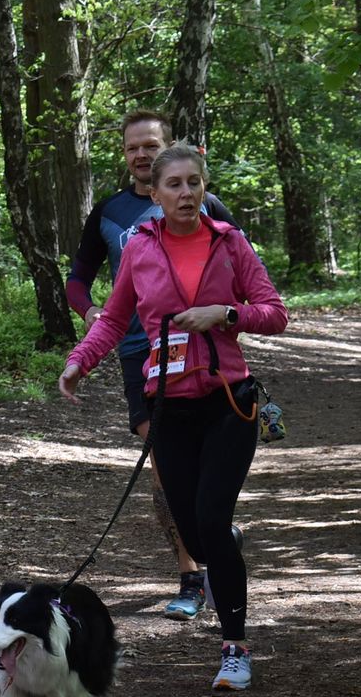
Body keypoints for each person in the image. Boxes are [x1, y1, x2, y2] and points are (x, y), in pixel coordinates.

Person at [58, 144, 288, 690]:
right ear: (155, 195)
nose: (186, 193)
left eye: (194, 183)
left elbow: (276, 312)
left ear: (204, 187)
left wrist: (226, 313)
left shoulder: (229, 243)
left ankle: (235, 647)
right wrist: (77, 364)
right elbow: (113, 320)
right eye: (175, 185)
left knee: (209, 516)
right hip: (169, 406)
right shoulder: (140, 248)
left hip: (229, 401)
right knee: (194, 529)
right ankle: (222, 545)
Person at [64, 110, 239, 621]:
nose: (140, 154)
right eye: (132, 148)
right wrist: (92, 313)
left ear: (167, 147)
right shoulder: (109, 212)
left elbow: (242, 267)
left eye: (150, 145)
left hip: (203, 349)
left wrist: (225, 314)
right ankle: (190, 575)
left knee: (206, 464)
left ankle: (215, 529)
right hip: (141, 353)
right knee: (165, 467)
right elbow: (78, 280)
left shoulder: (204, 204)